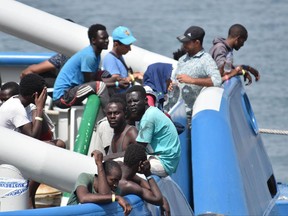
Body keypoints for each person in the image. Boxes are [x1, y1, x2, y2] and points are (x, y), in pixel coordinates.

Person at [53, 24, 129, 109]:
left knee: (104, 73)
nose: (107, 41)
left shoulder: (97, 54)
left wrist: (116, 79)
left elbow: (95, 78)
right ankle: (110, 112)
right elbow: (90, 83)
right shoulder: (89, 56)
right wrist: (116, 84)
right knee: (99, 86)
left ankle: (119, 104)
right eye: (103, 38)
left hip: (76, 88)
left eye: (107, 38)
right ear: (93, 40)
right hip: (63, 97)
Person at [125, 85, 181, 177]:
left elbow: (136, 151)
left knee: (125, 166)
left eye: (135, 101)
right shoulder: (150, 112)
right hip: (160, 158)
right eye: (129, 102)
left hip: (164, 163)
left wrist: (109, 157)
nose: (132, 104)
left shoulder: (149, 117)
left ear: (145, 100)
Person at [173, 26, 222, 118]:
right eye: (183, 42)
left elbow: (217, 80)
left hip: (189, 115)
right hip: (174, 110)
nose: (184, 45)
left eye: (187, 42)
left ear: (197, 43)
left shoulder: (206, 60)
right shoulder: (182, 59)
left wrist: (192, 80)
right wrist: (171, 84)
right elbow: (174, 79)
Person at [67, 150, 132, 215]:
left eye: (118, 181)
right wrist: (99, 164)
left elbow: (105, 195)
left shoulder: (116, 190)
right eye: (113, 180)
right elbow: (83, 198)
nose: (116, 185)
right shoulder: (85, 177)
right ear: (103, 175)